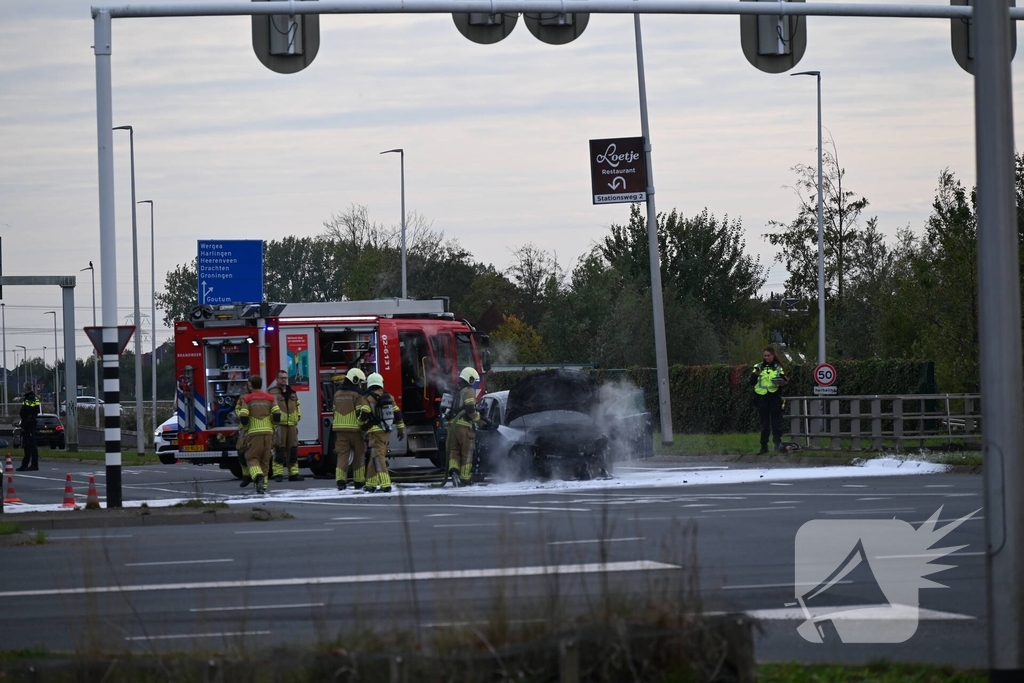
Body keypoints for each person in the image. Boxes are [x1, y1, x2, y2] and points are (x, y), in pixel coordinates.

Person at [235, 376, 281, 494]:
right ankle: (262, 487)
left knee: (252, 458)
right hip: (269, 432)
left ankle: (257, 476)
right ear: (261, 384)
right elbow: (277, 415)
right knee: (265, 460)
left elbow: (244, 417)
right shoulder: (271, 398)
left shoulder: (247, 399)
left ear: (251, 385)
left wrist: (246, 426)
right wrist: (272, 425)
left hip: (254, 433)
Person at [359, 372, 404, 494]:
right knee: (374, 456)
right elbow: (398, 414)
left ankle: (385, 483)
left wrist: (360, 425)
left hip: (374, 432)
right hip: (386, 431)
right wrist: (401, 429)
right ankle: (370, 484)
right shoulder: (389, 397)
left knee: (378, 457)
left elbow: (365, 414)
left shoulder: (366, 398)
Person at [445, 367, 483, 487]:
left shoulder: (454, 390)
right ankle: (465, 478)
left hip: (451, 426)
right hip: (464, 427)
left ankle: (454, 471)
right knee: (467, 452)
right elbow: (470, 410)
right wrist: (479, 420)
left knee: (453, 452)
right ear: (470, 379)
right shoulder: (469, 391)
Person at [332, 368, 368, 491]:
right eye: (360, 382)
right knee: (359, 456)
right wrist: (363, 426)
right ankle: (359, 481)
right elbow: (361, 413)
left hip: (340, 431)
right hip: (356, 430)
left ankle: (340, 481)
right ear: (355, 379)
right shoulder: (358, 395)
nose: (360, 385)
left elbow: (334, 411)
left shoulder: (337, 394)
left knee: (342, 456)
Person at [750, 346, 789, 454]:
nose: (766, 357)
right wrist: (755, 374)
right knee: (764, 424)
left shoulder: (778, 367)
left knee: (776, 423)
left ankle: (777, 445)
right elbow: (752, 381)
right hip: (762, 398)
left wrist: (782, 382)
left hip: (774, 397)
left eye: (768, 355)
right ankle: (764, 446)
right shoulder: (758, 366)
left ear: (773, 355)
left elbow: (784, 380)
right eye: (765, 356)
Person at [270, 370, 302, 483]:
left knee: (293, 450)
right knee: (279, 450)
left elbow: (297, 404)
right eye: (281, 378)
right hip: (279, 425)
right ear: (277, 379)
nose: (284, 379)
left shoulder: (292, 392)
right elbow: (269, 407)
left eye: (285, 377)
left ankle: (293, 474)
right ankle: (278, 474)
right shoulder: (272, 393)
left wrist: (298, 415)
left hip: (292, 425)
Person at [17, 383, 41, 471]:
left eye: (24, 388)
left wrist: (24, 425)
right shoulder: (32, 397)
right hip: (29, 423)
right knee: (27, 445)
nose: (23, 389)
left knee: (30, 445)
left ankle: (32, 464)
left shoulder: (30, 398)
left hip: (28, 425)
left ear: (26, 388)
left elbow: (29, 413)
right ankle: (26, 464)